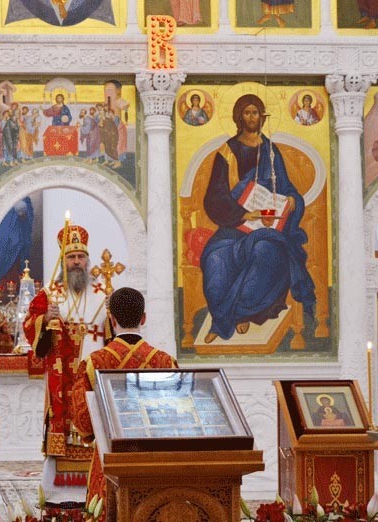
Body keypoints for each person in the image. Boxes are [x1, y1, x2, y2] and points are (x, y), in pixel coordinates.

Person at [201, 93, 315, 344]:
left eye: (255, 112)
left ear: (261, 117)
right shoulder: (227, 152)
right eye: (247, 112)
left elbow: (286, 187)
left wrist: (293, 200)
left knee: (265, 252)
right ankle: (221, 319)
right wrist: (243, 213)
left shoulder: (270, 151)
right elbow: (214, 196)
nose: (251, 117)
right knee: (215, 259)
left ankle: (242, 314)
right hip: (235, 226)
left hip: (268, 228)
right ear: (239, 117)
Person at [23, 223, 111, 511]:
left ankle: (96, 490)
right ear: (63, 261)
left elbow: (113, 337)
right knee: (62, 425)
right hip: (62, 380)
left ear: (87, 260)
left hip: (93, 377)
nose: (76, 262)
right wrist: (44, 320)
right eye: (71, 257)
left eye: (80, 257)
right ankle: (57, 495)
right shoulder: (49, 295)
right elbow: (31, 330)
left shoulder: (103, 293)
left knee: (96, 427)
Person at [71, 287, 178, 520]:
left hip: (110, 463)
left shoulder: (93, 363)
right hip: (155, 463)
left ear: (111, 320)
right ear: (143, 318)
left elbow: (83, 424)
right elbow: (177, 418)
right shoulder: (166, 362)